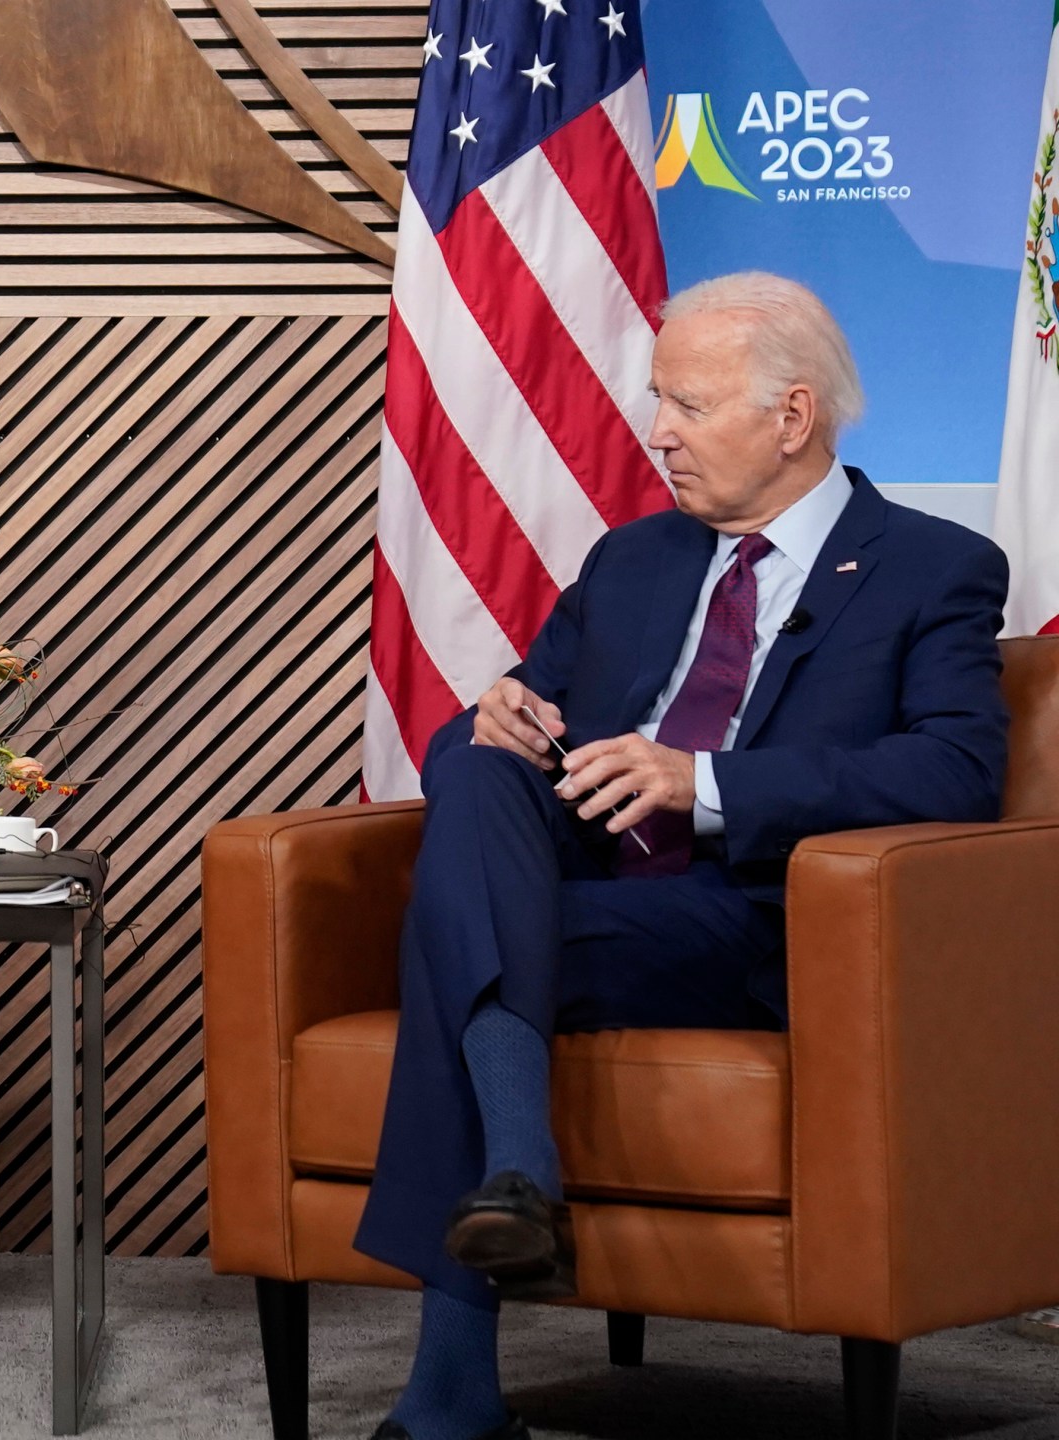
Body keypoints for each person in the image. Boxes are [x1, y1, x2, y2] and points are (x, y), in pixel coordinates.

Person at [357, 274, 1008, 1440]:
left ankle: (453, 1383)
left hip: (753, 914)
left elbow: (955, 772)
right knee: (473, 764)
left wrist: (699, 782)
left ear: (791, 417)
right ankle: (516, 1175)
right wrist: (491, 715)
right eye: (658, 399)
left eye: (689, 406)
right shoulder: (635, 560)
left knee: (455, 941)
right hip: (584, 889)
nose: (656, 430)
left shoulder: (930, 568)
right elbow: (515, 728)